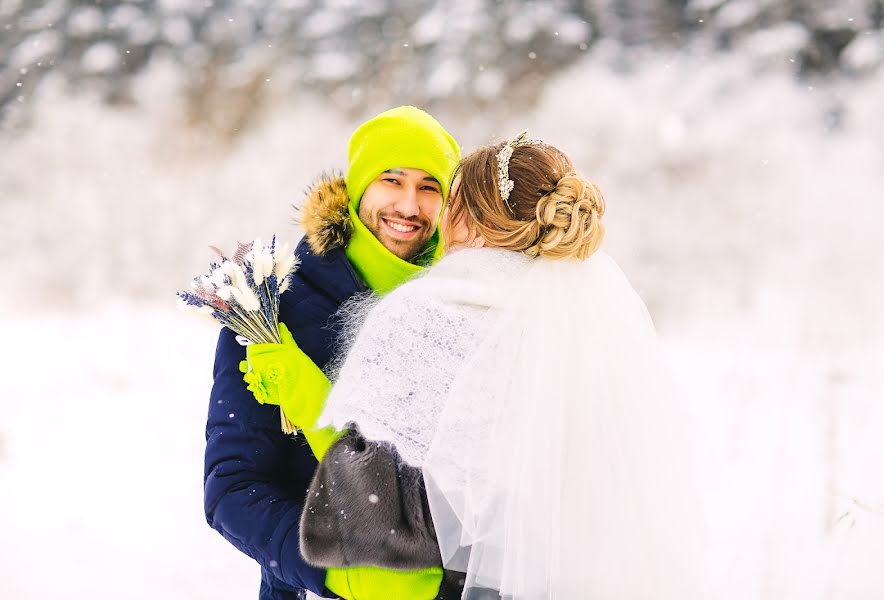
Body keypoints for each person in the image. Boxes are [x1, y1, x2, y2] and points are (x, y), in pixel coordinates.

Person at [244, 132, 707, 599]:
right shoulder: (577, 319)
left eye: (445, 196)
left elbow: (377, 516)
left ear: (474, 223)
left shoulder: (427, 315)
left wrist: (309, 398)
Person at [204, 105, 461, 600]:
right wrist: (335, 574)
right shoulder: (275, 303)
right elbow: (231, 488)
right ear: (360, 186)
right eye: (392, 180)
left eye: (430, 187)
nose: (409, 205)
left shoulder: (461, 303)